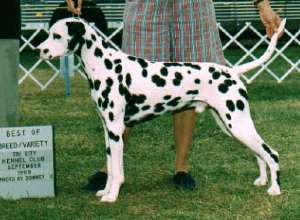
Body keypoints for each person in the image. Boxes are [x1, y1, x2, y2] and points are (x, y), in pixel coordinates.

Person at [66, 0, 282, 191]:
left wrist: (261, 2)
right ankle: (110, 170)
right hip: (144, 5)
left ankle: (182, 168)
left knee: (192, 85)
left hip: (194, 6)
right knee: (127, 85)